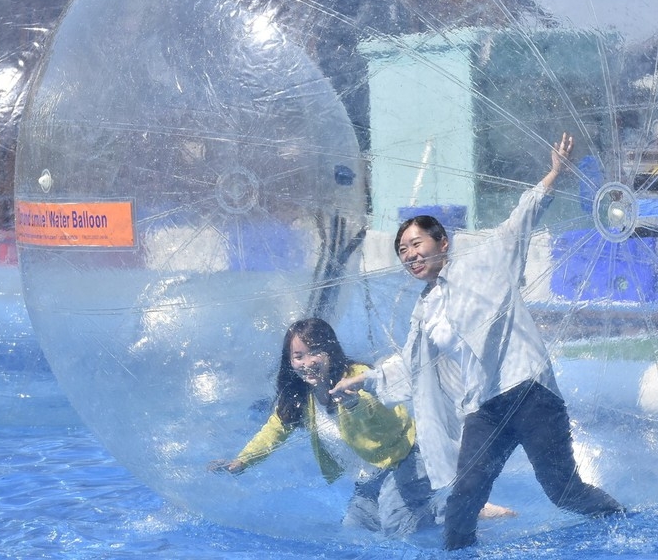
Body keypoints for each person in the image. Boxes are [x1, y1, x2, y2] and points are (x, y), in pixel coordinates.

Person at [333, 133, 623, 550]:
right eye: (402, 250)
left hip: (529, 392)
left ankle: (624, 520)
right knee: (463, 500)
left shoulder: (487, 258)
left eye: (416, 244)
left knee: (563, 492)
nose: (409, 255)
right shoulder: (425, 310)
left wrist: (554, 175)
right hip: (485, 407)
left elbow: (520, 220)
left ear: (442, 242)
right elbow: (412, 365)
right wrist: (365, 381)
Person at [208, 317, 436, 537]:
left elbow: (378, 416)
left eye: (315, 352)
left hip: (404, 461)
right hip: (368, 477)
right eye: (298, 356)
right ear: (290, 361)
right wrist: (243, 461)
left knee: (399, 528)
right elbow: (274, 431)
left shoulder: (356, 377)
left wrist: (354, 404)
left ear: (330, 351)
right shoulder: (300, 395)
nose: (307, 363)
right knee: (354, 532)